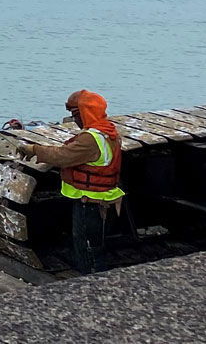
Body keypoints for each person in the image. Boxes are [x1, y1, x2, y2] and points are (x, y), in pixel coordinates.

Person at [17, 90, 125, 274]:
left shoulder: (91, 140)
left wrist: (33, 149)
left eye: (76, 115)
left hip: (90, 204)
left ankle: (92, 284)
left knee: (88, 248)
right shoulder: (107, 131)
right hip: (105, 200)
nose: (75, 120)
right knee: (97, 246)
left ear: (86, 113)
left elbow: (63, 156)